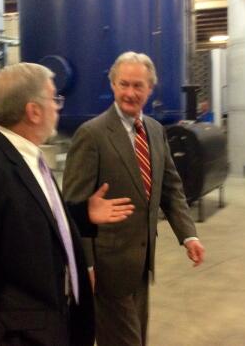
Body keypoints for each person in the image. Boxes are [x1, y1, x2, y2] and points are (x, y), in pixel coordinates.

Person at [0, 63, 135, 346]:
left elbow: (26, 220)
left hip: (58, 325)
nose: (58, 106)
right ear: (33, 111)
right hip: (25, 336)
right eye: (54, 98)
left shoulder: (29, 158)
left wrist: (80, 213)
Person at [63, 51, 206, 346]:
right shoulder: (91, 135)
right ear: (112, 85)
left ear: (150, 88)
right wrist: (85, 265)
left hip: (140, 264)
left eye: (138, 85)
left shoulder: (155, 130)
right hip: (106, 268)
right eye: (124, 84)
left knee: (137, 337)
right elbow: (74, 206)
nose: (130, 93)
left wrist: (188, 235)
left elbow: (170, 188)